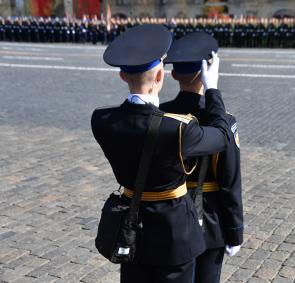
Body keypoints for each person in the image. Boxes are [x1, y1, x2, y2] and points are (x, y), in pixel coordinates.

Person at [91, 24, 230, 283]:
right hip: (174, 235)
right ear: (160, 77)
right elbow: (222, 136)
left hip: (131, 229)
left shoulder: (101, 120)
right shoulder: (178, 128)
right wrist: (212, 90)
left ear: (122, 76)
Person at [161, 32, 243, 283]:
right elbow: (230, 181)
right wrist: (235, 232)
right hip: (210, 221)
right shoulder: (223, 121)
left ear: (173, 74)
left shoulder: (160, 115)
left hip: (170, 217)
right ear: (206, 72)